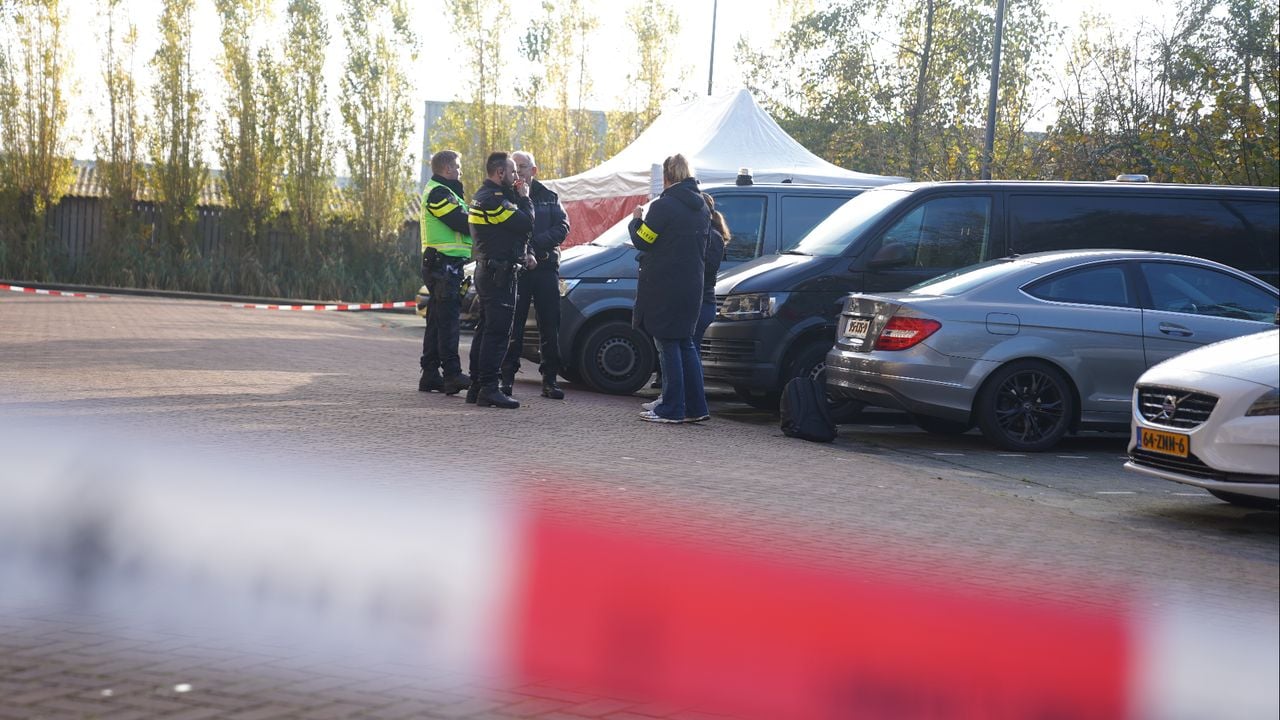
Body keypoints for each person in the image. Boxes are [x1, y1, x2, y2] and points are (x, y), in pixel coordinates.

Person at [629, 154, 710, 424]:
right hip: (693, 285)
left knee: (667, 344)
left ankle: (672, 407)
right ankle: (696, 407)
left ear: (666, 176)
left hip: (666, 286)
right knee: (686, 344)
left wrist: (636, 221)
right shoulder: (702, 207)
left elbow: (645, 240)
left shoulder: (664, 206)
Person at [642, 191, 728, 414]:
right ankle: (685, 403)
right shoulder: (708, 235)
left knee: (679, 349)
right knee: (685, 349)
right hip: (698, 298)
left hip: (699, 299)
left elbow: (702, 266)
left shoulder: (708, 237)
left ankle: (676, 403)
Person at [465, 151, 535, 409]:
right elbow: (526, 224)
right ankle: (489, 388)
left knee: (485, 330)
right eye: (513, 171)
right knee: (497, 334)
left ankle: (476, 386)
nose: (517, 176)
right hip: (498, 275)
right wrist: (525, 198)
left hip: (491, 271)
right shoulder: (494, 201)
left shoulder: (485, 197)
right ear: (500, 173)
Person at [499, 151, 570, 400]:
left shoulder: (550, 197)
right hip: (518, 270)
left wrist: (536, 245)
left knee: (550, 325)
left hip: (545, 268)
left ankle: (550, 380)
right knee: (513, 326)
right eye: (514, 168)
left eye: (523, 167)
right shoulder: (507, 195)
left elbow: (563, 227)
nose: (518, 172)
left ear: (534, 170)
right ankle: (505, 379)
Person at [418, 150, 472, 396]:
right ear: (448, 169)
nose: (460, 171)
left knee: (437, 320)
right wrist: (486, 223)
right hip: (443, 264)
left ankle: (430, 374)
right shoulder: (439, 193)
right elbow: (461, 222)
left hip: (444, 264)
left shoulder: (446, 192)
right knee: (448, 320)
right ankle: (451, 374)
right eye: (458, 167)